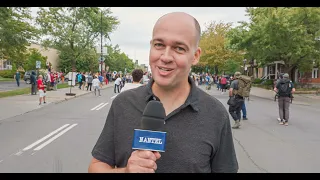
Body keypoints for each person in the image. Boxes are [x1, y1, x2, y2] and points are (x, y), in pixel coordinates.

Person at [89, 12, 238, 173]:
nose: (165, 57)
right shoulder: (123, 103)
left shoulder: (215, 114)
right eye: (159, 45)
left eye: (179, 48)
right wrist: (125, 171)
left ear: (195, 56)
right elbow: (96, 167)